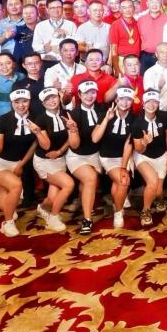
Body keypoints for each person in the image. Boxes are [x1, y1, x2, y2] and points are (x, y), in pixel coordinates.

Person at [0, 89, 43, 237]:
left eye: (24, 101)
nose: (21, 105)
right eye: (17, 102)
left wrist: (21, 164)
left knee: (6, 196)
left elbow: (34, 145)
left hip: (14, 162)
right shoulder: (3, 120)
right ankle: (7, 223)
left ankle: (7, 211)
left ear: (30, 101)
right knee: (16, 186)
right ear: (12, 103)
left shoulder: (36, 117)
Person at [90, 87, 136, 229]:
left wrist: (123, 167)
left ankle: (117, 205)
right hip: (108, 156)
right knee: (123, 181)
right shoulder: (105, 114)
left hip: (125, 156)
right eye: (121, 99)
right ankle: (118, 212)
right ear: (116, 99)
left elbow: (128, 144)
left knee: (119, 183)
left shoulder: (133, 118)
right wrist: (106, 119)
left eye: (128, 99)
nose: (125, 102)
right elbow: (95, 138)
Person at [32, 87, 76, 232]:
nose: (51, 101)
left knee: (52, 198)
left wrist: (60, 151)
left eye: (54, 97)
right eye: (47, 99)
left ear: (59, 97)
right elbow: (45, 146)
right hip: (44, 161)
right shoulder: (40, 119)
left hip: (60, 158)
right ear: (42, 103)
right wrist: (38, 133)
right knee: (68, 184)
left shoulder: (66, 114)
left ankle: (42, 208)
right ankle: (53, 218)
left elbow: (71, 138)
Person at [67, 80, 105, 235]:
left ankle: (82, 204)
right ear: (79, 94)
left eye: (93, 92)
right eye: (86, 93)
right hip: (77, 156)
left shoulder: (102, 109)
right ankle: (87, 219)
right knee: (90, 179)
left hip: (96, 155)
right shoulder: (73, 114)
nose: (90, 96)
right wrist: (73, 130)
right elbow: (74, 145)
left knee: (88, 184)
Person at [132, 90, 167, 224]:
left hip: (161, 155)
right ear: (143, 104)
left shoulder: (163, 117)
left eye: (155, 101)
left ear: (158, 103)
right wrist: (144, 142)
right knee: (153, 183)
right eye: (148, 101)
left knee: (158, 191)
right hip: (143, 156)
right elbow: (138, 149)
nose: (151, 104)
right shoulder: (137, 123)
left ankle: (159, 199)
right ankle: (146, 210)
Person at [35, 0, 77, 65]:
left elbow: (76, 44)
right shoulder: (40, 26)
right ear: (47, 10)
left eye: (58, 7)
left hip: (67, 61)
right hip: (47, 61)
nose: (56, 10)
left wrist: (67, 35)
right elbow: (35, 46)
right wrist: (44, 48)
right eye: (52, 8)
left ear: (62, 8)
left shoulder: (71, 25)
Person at [75, 1, 112, 66]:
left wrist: (109, 64)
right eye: (95, 10)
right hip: (85, 64)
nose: (98, 13)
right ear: (88, 11)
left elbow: (112, 47)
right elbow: (78, 46)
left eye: (100, 10)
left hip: (104, 64)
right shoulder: (82, 28)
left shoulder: (109, 27)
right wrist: (88, 49)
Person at [136, 0, 167, 71]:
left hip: (164, 56)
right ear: (147, 4)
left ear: (161, 3)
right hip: (145, 57)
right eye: (151, 1)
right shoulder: (140, 20)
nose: (154, 4)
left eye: (157, 1)